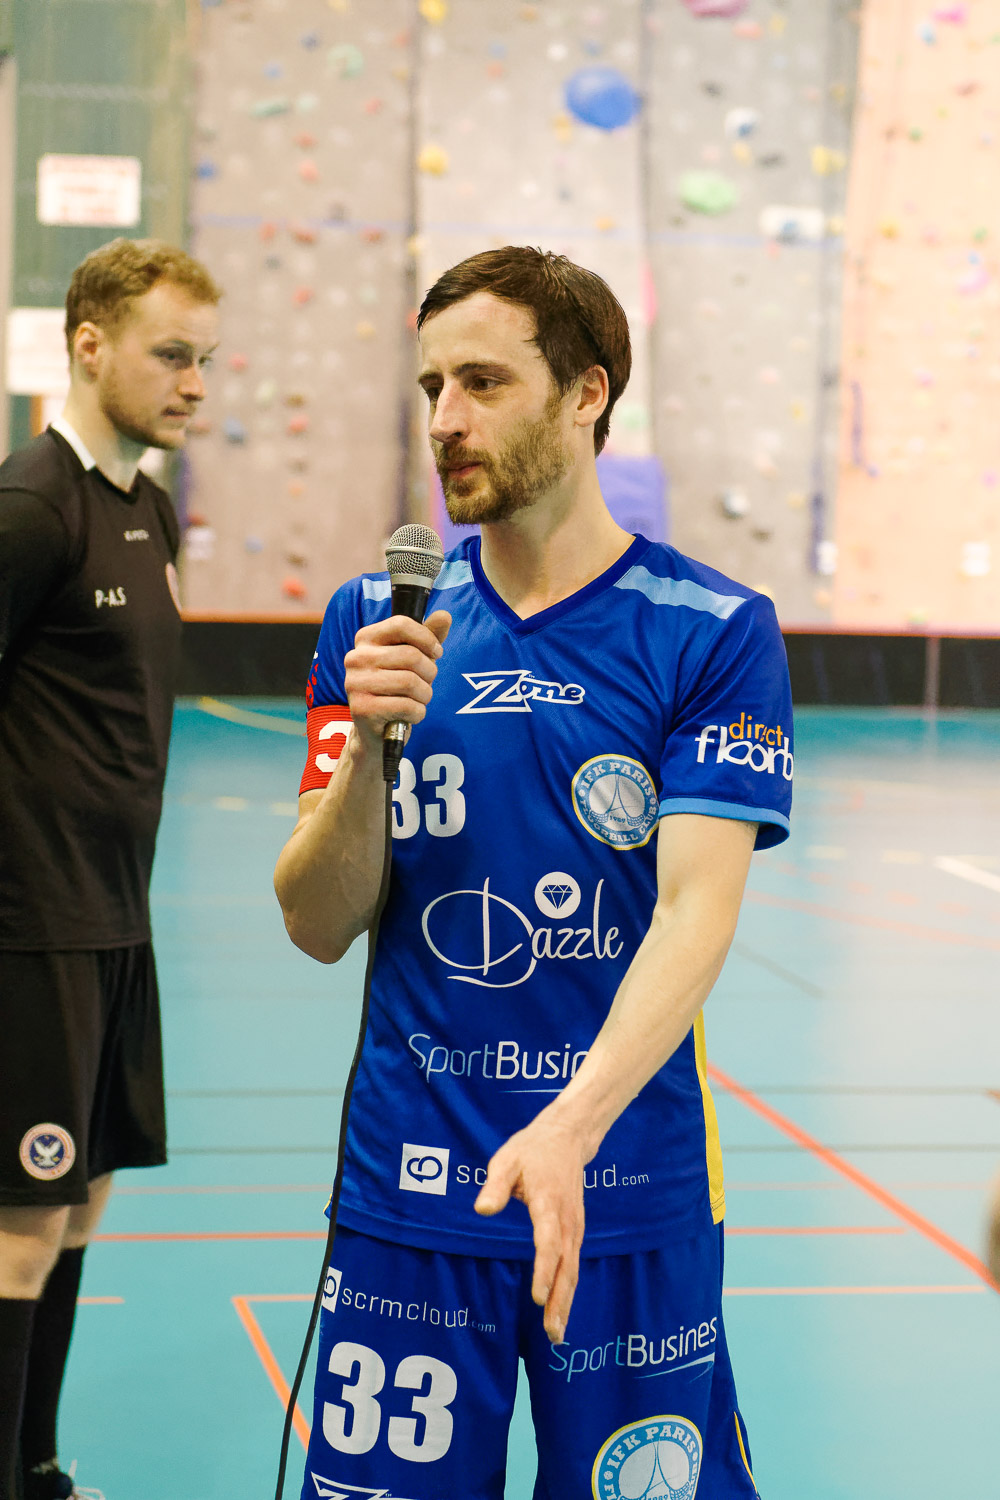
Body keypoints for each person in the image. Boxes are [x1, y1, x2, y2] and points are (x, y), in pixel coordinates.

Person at [274, 246, 793, 1500]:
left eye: (484, 383)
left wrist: (570, 1125)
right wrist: (369, 747)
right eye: (431, 387)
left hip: (626, 1188)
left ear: (585, 394)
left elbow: (695, 912)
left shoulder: (711, 631)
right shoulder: (375, 621)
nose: (444, 420)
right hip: (411, 1192)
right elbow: (316, 921)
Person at [0, 238, 221, 1500]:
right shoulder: (34, 509)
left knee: (79, 1211)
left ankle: (35, 1467)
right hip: (31, 930)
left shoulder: (147, 509)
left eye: (205, 359)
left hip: (116, 922)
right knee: (18, 1233)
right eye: (171, 354)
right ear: (90, 346)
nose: (195, 383)